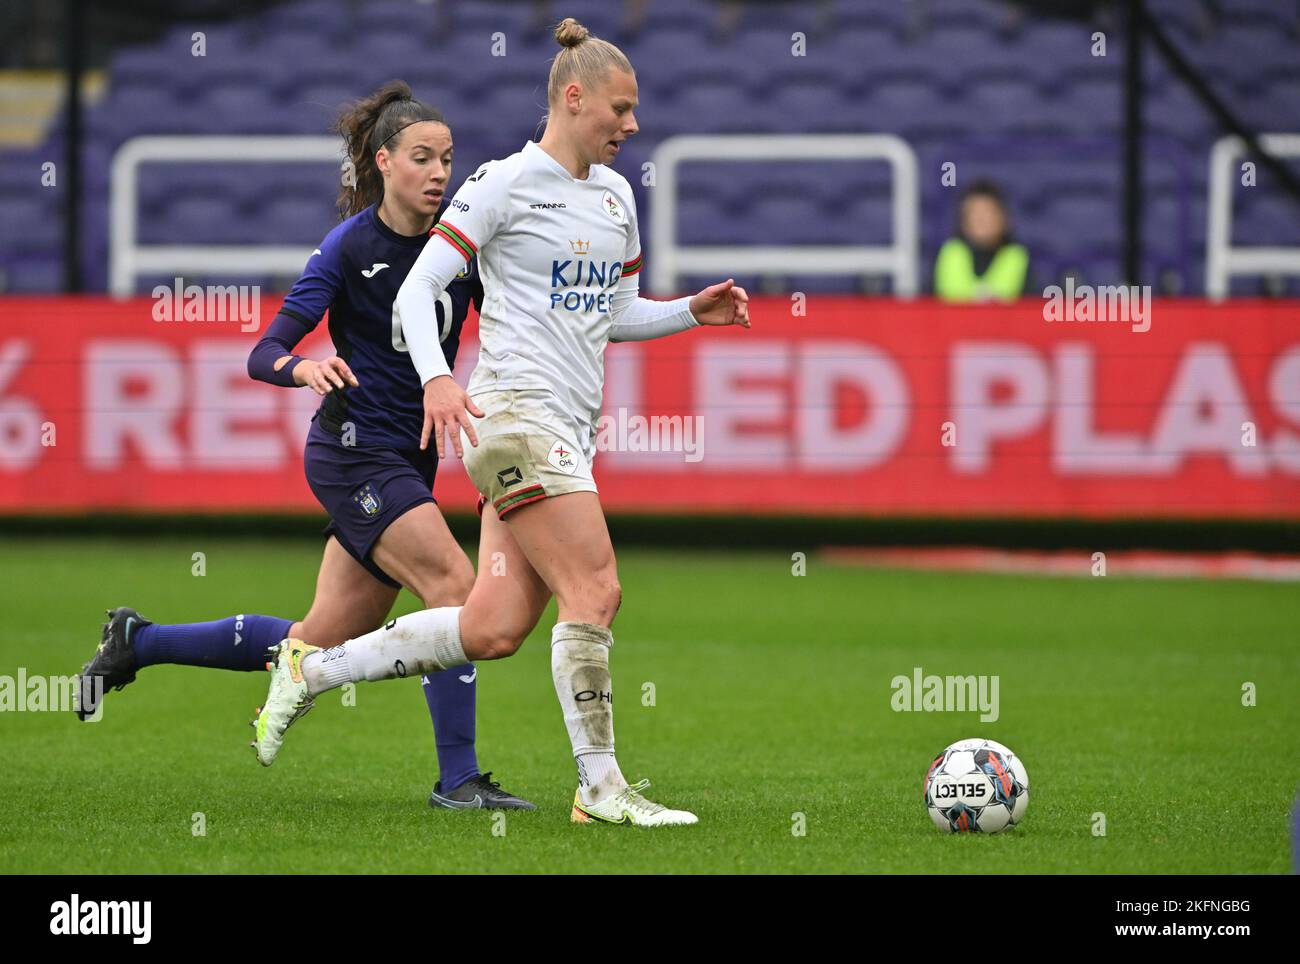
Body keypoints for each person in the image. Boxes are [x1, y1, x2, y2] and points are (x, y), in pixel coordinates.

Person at [251, 19, 751, 827]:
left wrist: (690, 312)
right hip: (514, 417)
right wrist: (440, 379)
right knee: (596, 588)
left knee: (492, 628)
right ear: (572, 96)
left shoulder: (618, 197)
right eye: (619, 109)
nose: (631, 126)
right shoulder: (502, 184)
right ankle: (601, 788)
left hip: (567, 428)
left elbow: (613, 311)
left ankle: (314, 671)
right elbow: (419, 292)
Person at [76, 80, 533, 811]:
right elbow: (265, 351)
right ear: (384, 162)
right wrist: (304, 366)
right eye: (422, 157)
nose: (440, 173)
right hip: (354, 454)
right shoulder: (349, 248)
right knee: (455, 591)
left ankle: (139, 641)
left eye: (448, 158)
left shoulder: (458, 244)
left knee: (315, 640)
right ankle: (459, 780)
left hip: (406, 462)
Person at [933, 179, 1029, 302]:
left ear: (1004, 218)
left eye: (988, 213)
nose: (982, 221)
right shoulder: (951, 252)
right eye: (975, 214)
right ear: (963, 219)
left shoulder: (1017, 256)